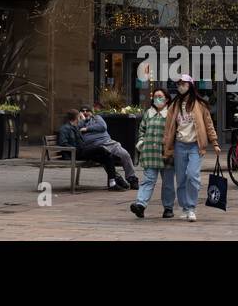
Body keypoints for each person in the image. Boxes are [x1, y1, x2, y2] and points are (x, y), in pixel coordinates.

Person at [162, 74, 221, 222]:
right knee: (181, 179)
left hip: (195, 145)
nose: (180, 86)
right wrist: (166, 147)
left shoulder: (200, 105)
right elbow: (168, 128)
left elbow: (208, 124)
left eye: (184, 84)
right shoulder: (174, 106)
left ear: (190, 86)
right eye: (179, 84)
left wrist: (214, 142)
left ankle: (192, 207)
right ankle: (185, 207)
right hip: (179, 145)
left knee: (192, 176)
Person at [57, 109, 129, 190]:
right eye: (79, 117)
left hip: (82, 151)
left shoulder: (76, 127)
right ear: (76, 118)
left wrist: (84, 119)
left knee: (108, 157)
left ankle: (112, 184)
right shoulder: (64, 128)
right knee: (101, 149)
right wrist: (75, 149)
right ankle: (113, 160)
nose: (80, 118)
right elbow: (62, 143)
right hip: (74, 154)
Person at [130, 88, 172, 219]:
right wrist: (141, 142)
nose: (157, 99)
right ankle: (140, 205)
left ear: (167, 99)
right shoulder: (148, 113)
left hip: (166, 153)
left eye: (160, 96)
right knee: (148, 180)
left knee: (168, 183)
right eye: (155, 96)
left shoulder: (171, 113)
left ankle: (168, 208)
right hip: (149, 153)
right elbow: (142, 129)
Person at [79, 106, 137, 189]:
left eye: (87, 110)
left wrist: (87, 129)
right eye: (82, 111)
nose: (85, 112)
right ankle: (117, 179)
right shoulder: (80, 122)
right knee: (105, 158)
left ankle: (132, 179)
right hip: (95, 146)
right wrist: (83, 120)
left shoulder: (97, 118)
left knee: (125, 154)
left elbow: (102, 127)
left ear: (91, 112)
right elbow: (78, 129)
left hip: (108, 142)